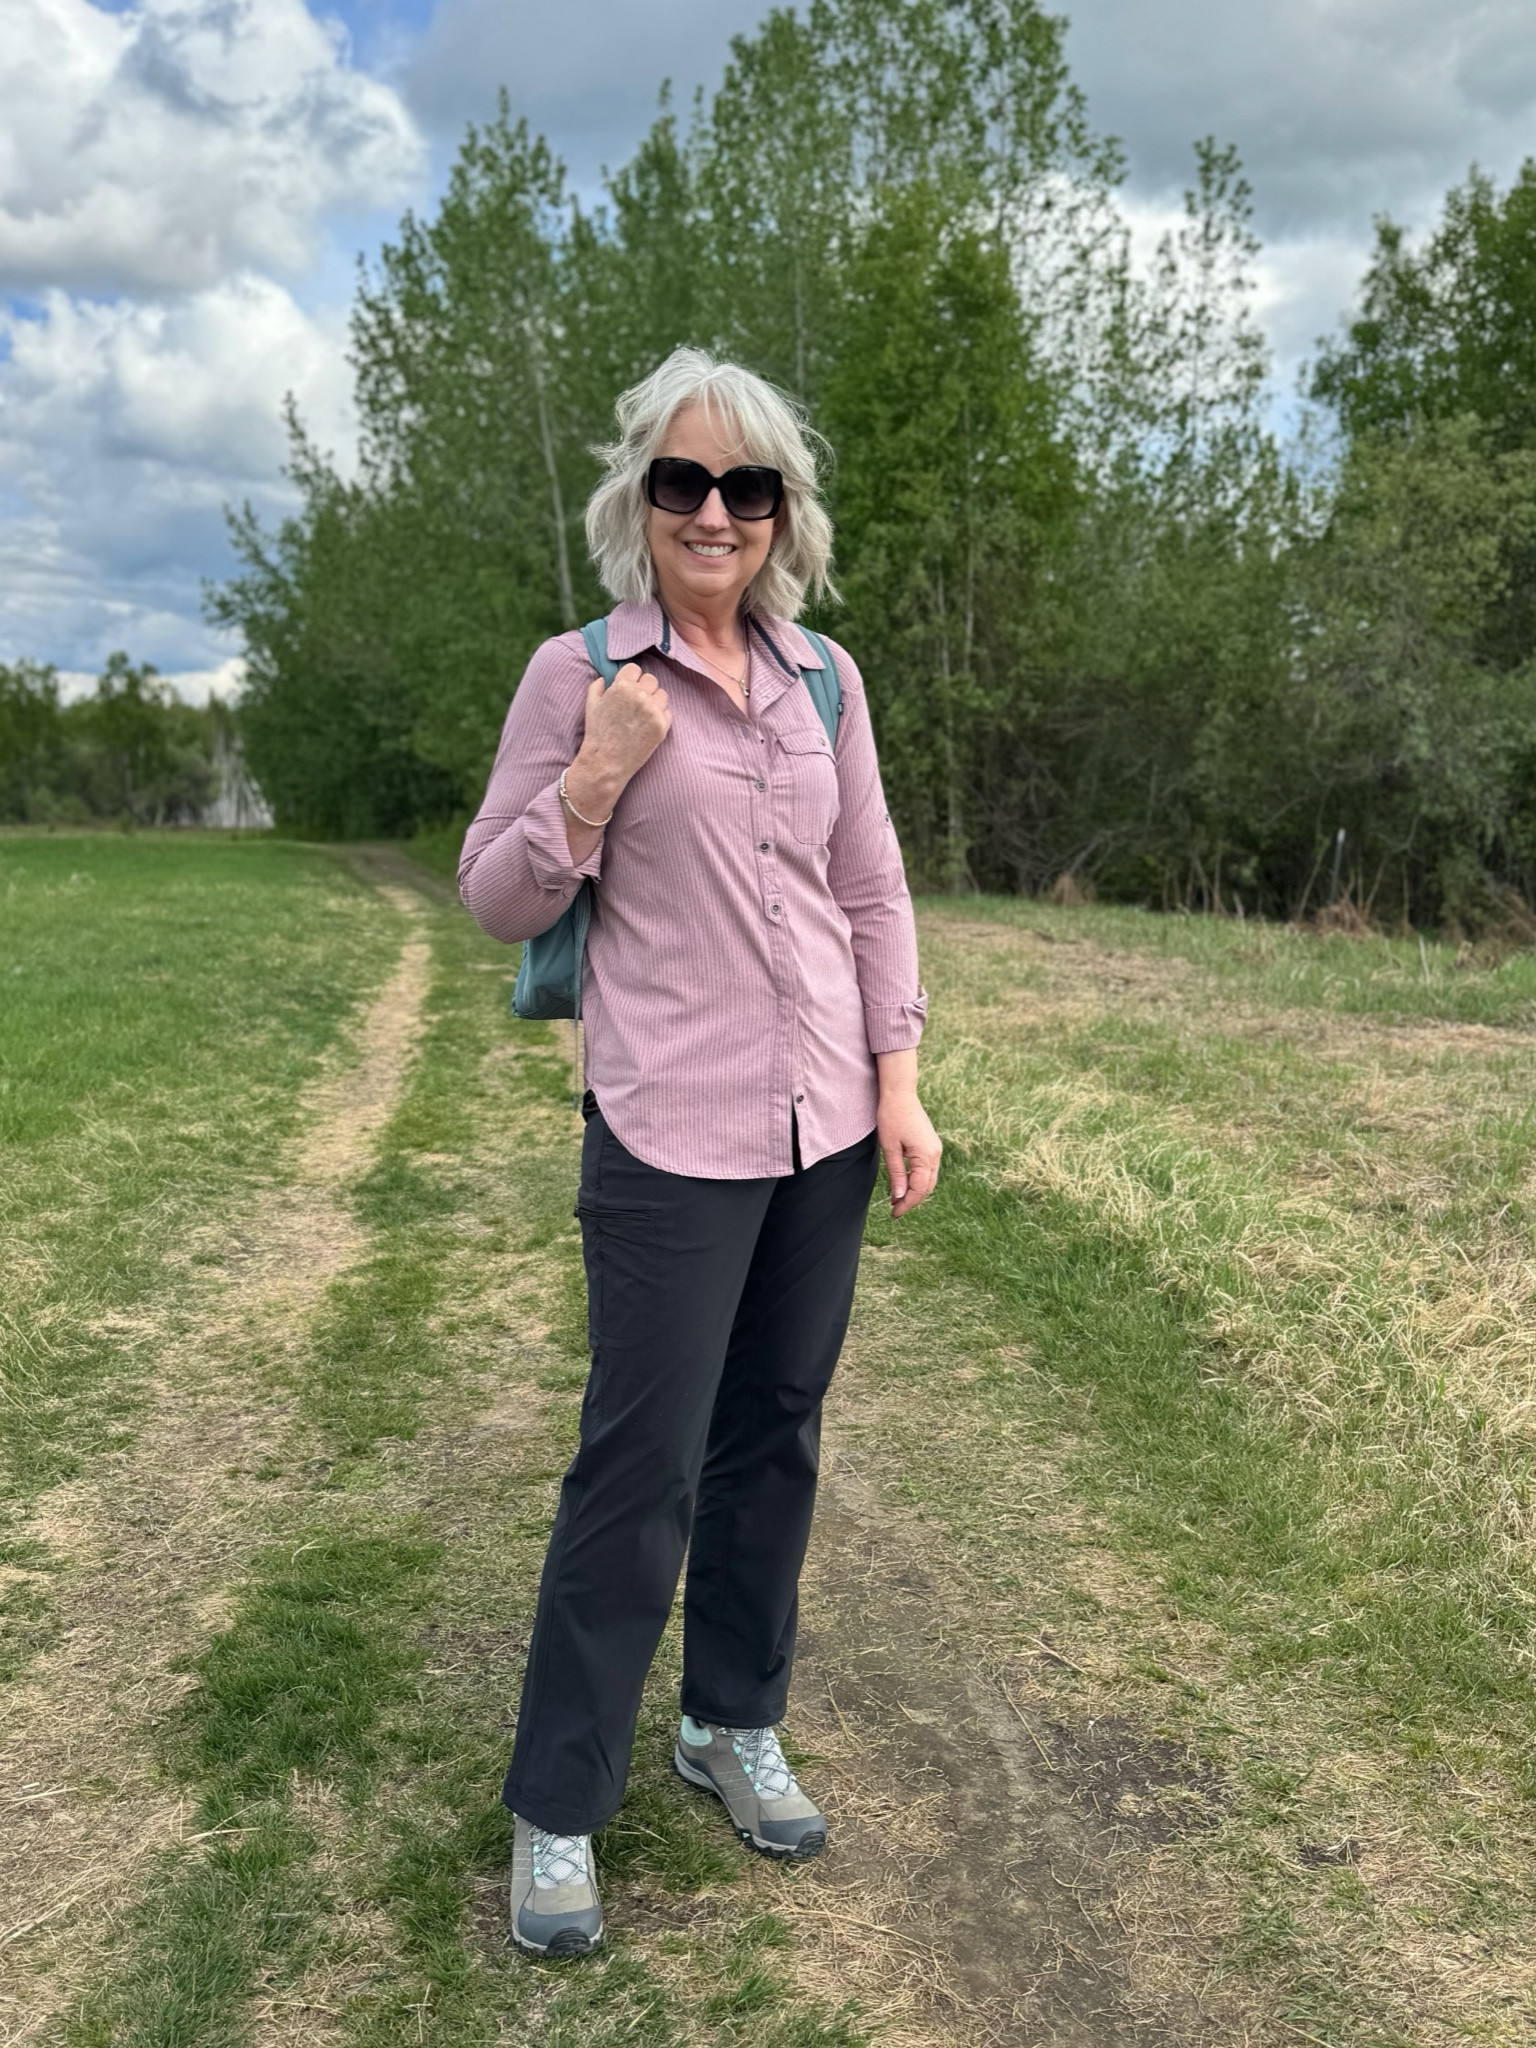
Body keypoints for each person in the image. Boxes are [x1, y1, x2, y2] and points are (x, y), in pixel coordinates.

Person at [459, 346, 941, 1957]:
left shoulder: (829, 681)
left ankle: (729, 1721)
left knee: (777, 1433)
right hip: (667, 1128)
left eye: (746, 485)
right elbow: (499, 898)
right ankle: (558, 1808)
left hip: (824, 1122)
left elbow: (869, 890)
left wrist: (904, 1078)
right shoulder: (580, 671)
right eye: (683, 482)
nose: (714, 509)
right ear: (641, 506)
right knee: (638, 1465)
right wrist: (591, 782)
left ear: (782, 513)